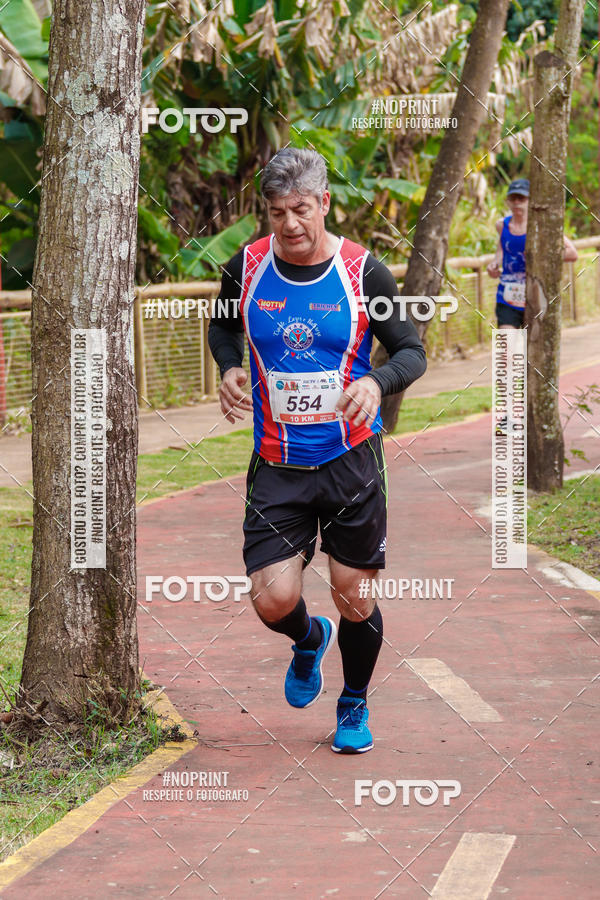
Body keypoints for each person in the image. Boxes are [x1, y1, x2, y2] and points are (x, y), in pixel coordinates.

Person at [208, 148, 426, 753]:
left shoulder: (362, 273)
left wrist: (374, 381)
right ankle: (308, 638)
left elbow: (411, 350)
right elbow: (223, 327)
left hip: (350, 460)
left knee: (354, 593)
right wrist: (229, 367)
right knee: (272, 597)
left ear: (324, 203)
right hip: (277, 464)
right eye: (276, 212)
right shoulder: (247, 267)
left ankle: (353, 703)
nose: (289, 225)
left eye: (301, 209)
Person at [487, 177, 578, 329]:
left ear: (530, 201)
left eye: (521, 198)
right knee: (505, 348)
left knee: (532, 348)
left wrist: (541, 256)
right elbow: (502, 250)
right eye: (513, 198)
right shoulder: (501, 225)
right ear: (508, 201)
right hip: (507, 296)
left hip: (536, 296)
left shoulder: (542, 226)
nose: (516, 203)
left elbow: (572, 253)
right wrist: (493, 265)